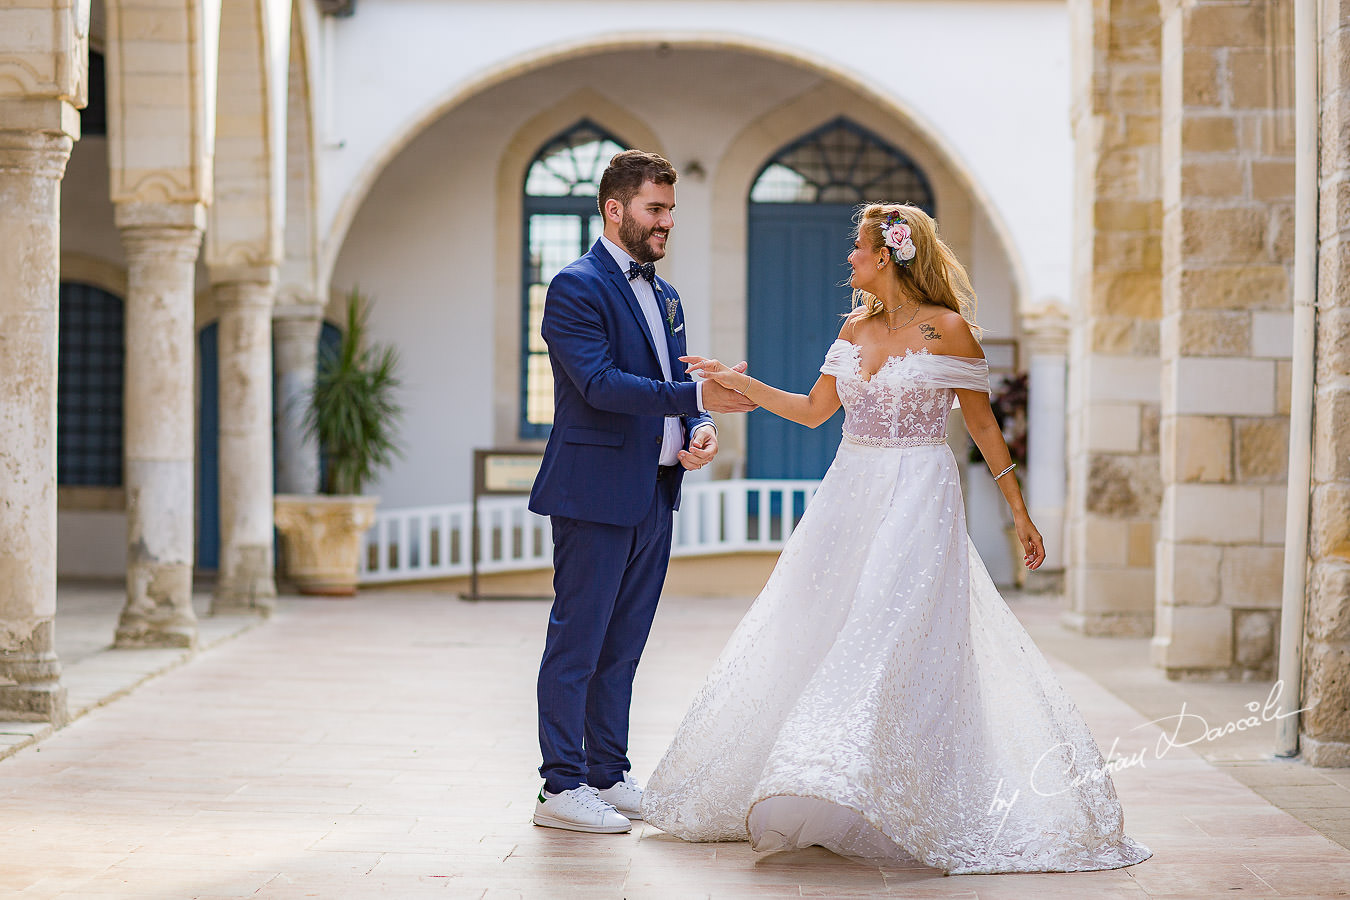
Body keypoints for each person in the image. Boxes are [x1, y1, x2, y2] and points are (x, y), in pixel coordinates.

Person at [641, 203, 1152, 874]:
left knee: (888, 629)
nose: (848, 260)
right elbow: (813, 411)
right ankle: (823, 782)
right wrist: (736, 383)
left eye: (855, 250)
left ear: (885, 256)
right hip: (848, 492)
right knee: (814, 625)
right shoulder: (853, 327)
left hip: (920, 493)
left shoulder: (949, 331)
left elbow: (984, 427)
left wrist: (1020, 511)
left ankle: (879, 784)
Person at [527, 150, 756, 834]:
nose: (666, 224)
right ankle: (559, 788)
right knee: (578, 645)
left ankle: (607, 772)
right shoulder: (575, 287)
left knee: (624, 646)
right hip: (592, 493)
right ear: (615, 209)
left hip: (657, 490)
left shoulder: (667, 296)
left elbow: (677, 385)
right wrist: (696, 394)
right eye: (656, 210)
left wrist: (703, 423)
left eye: (671, 212)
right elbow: (599, 384)